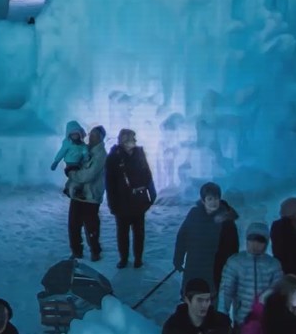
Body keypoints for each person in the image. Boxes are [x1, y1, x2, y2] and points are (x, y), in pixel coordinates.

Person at [174, 182, 240, 294]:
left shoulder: (226, 220)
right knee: (190, 295)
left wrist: (230, 269)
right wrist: (178, 259)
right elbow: (182, 238)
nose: (213, 202)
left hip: (215, 268)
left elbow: (233, 247)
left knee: (209, 298)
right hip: (194, 265)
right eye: (210, 199)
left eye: (216, 198)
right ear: (203, 200)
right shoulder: (194, 214)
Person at [105, 128, 156, 269]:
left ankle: (138, 258)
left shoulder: (139, 154)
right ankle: (124, 258)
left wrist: (149, 193)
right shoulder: (114, 157)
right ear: (122, 141)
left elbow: (147, 173)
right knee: (122, 232)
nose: (132, 141)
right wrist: (112, 203)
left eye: (133, 139)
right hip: (121, 201)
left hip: (138, 200)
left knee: (139, 232)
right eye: (129, 139)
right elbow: (110, 182)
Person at [217, 222, 281, 328]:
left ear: (266, 243)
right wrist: (222, 316)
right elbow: (226, 291)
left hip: (267, 321)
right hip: (242, 319)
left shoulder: (273, 264)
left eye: (260, 240)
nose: (255, 244)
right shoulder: (235, 262)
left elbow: (279, 290)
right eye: (251, 239)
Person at [66, 125, 107, 260]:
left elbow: (89, 175)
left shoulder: (101, 155)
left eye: (96, 135)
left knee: (91, 226)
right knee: (73, 225)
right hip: (78, 195)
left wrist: (72, 174)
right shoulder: (84, 150)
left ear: (101, 138)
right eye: (91, 134)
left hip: (91, 196)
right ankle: (76, 251)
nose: (92, 137)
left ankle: (95, 251)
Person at [161, 277, 233, 334]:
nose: (204, 305)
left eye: (207, 300)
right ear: (187, 300)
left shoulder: (222, 323)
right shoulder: (173, 327)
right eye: (200, 300)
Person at [51, 120, 89, 193]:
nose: (75, 136)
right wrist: (56, 162)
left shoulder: (82, 145)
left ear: (80, 134)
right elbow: (61, 152)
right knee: (75, 176)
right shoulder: (68, 144)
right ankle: (73, 189)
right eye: (72, 135)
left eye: (76, 134)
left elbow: (85, 153)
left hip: (79, 164)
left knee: (74, 177)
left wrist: (86, 159)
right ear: (69, 135)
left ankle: (69, 188)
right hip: (70, 164)